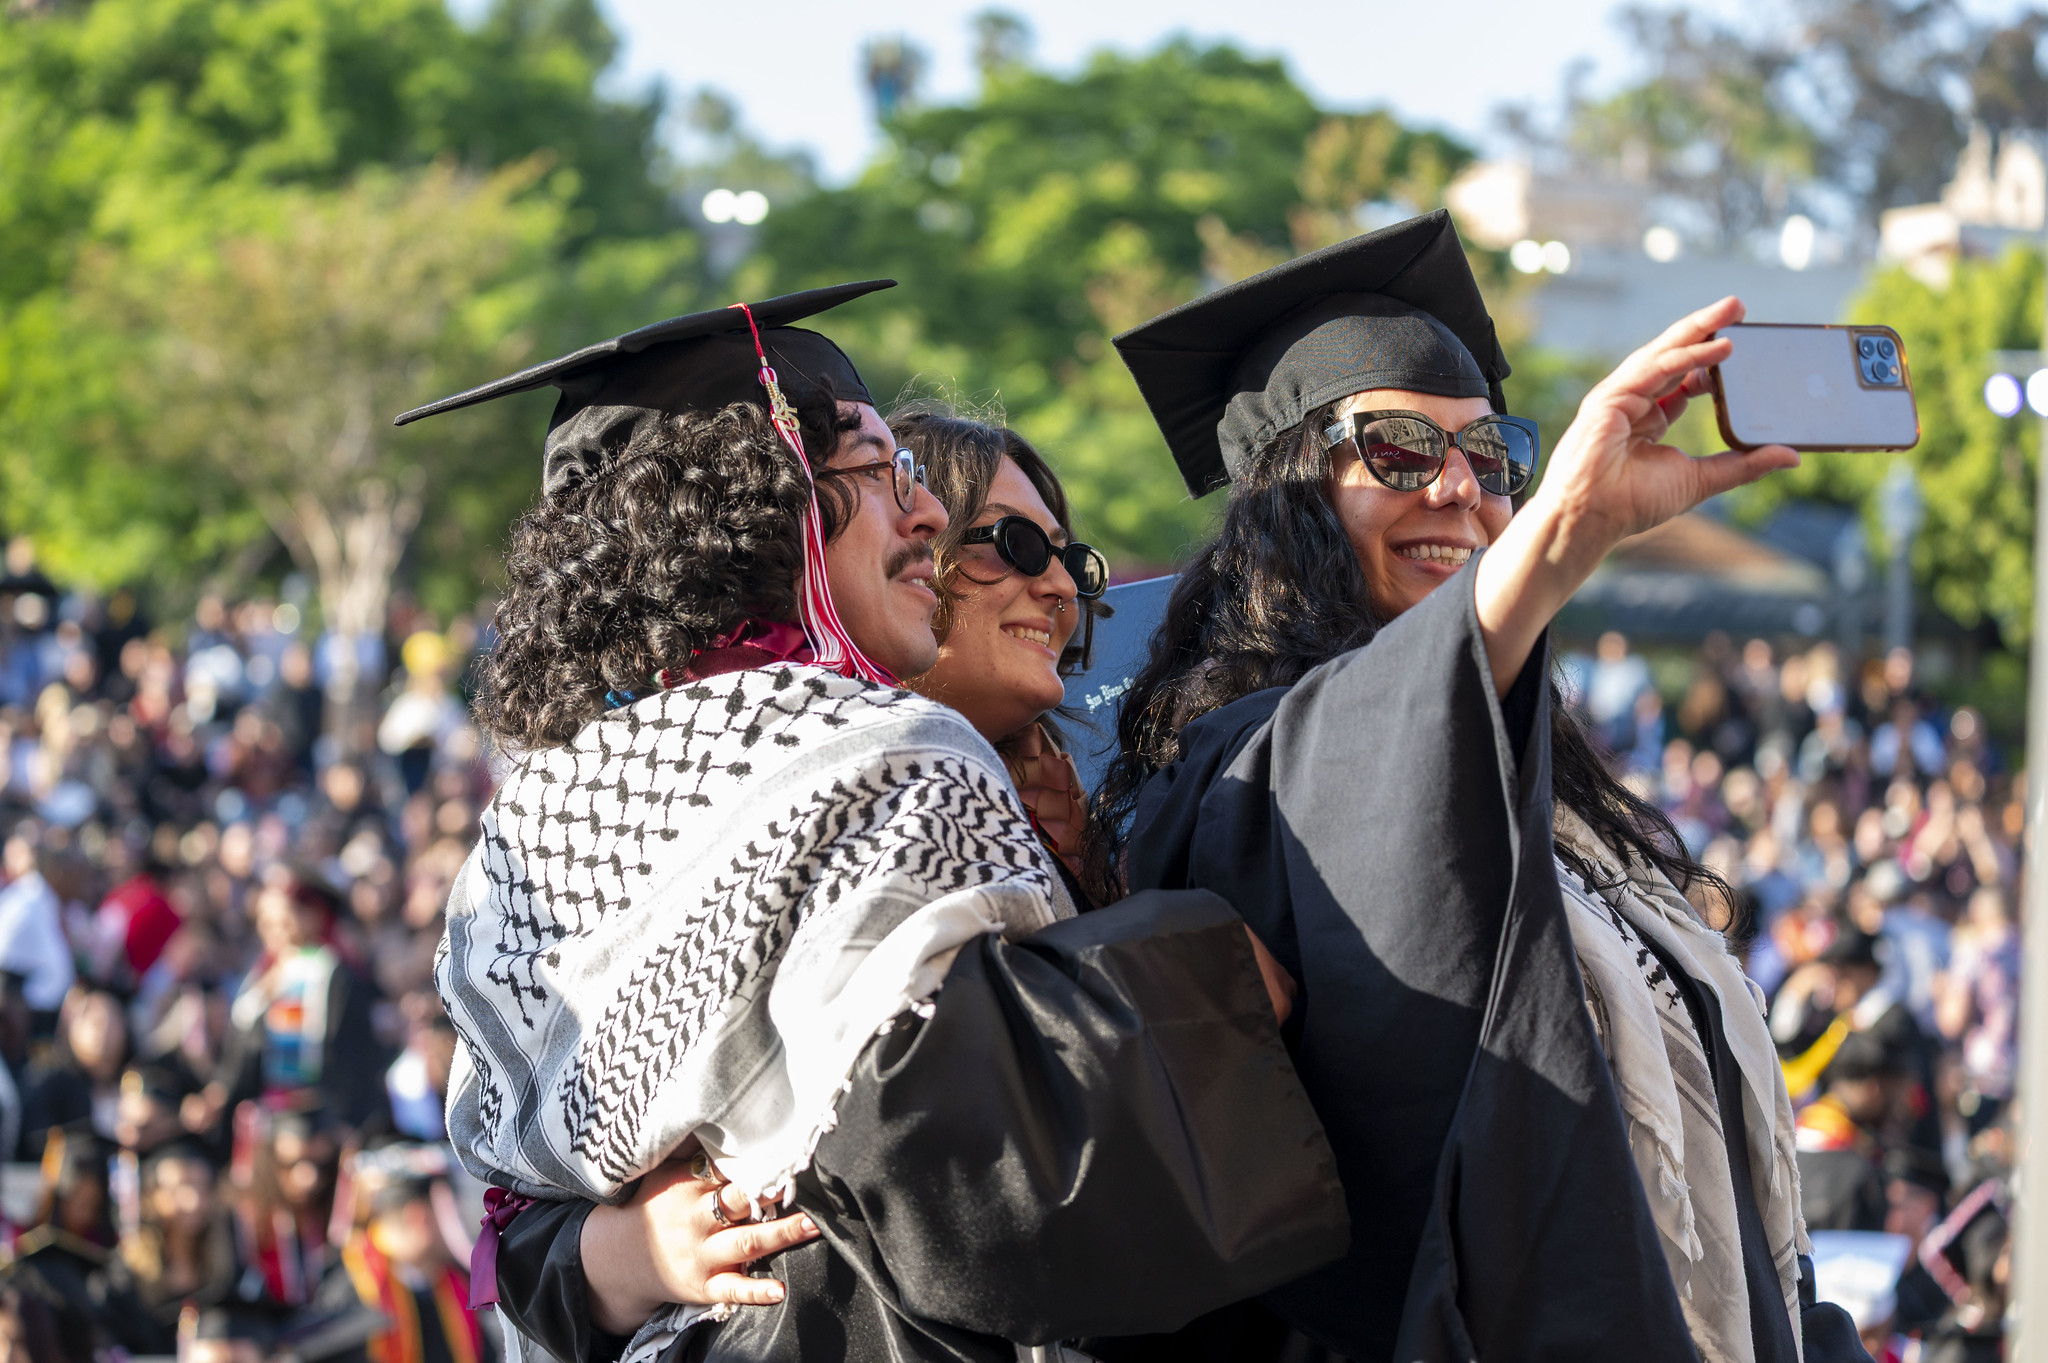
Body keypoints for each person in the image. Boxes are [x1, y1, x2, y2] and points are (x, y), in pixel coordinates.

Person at [414, 284, 1344, 1362]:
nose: (924, 515)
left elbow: (517, 1219)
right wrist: (1209, 968)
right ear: (758, 510)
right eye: (874, 470)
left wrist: (605, 1262)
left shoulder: (533, 823)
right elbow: (964, 1160)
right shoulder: (871, 755)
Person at [1094, 211, 1860, 1362]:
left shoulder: (1567, 814)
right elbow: (1367, 760)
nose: (1459, 487)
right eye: (1399, 448)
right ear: (1288, 495)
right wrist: (1564, 525)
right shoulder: (1232, 778)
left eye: (1493, 454)